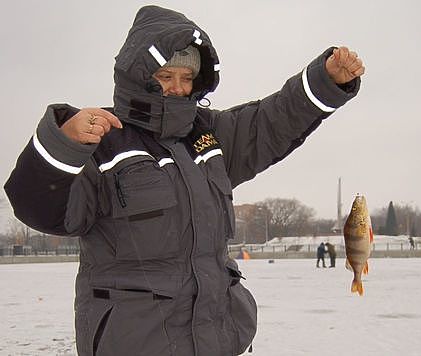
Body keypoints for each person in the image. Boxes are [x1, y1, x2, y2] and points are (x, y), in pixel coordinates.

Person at [4, 5, 364, 356]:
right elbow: (40, 209)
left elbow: (271, 121)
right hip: (137, 344)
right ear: (139, 76)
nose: (177, 87)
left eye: (187, 77)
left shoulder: (208, 136)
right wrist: (63, 144)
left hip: (221, 338)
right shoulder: (104, 142)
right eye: (165, 77)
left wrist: (326, 81)